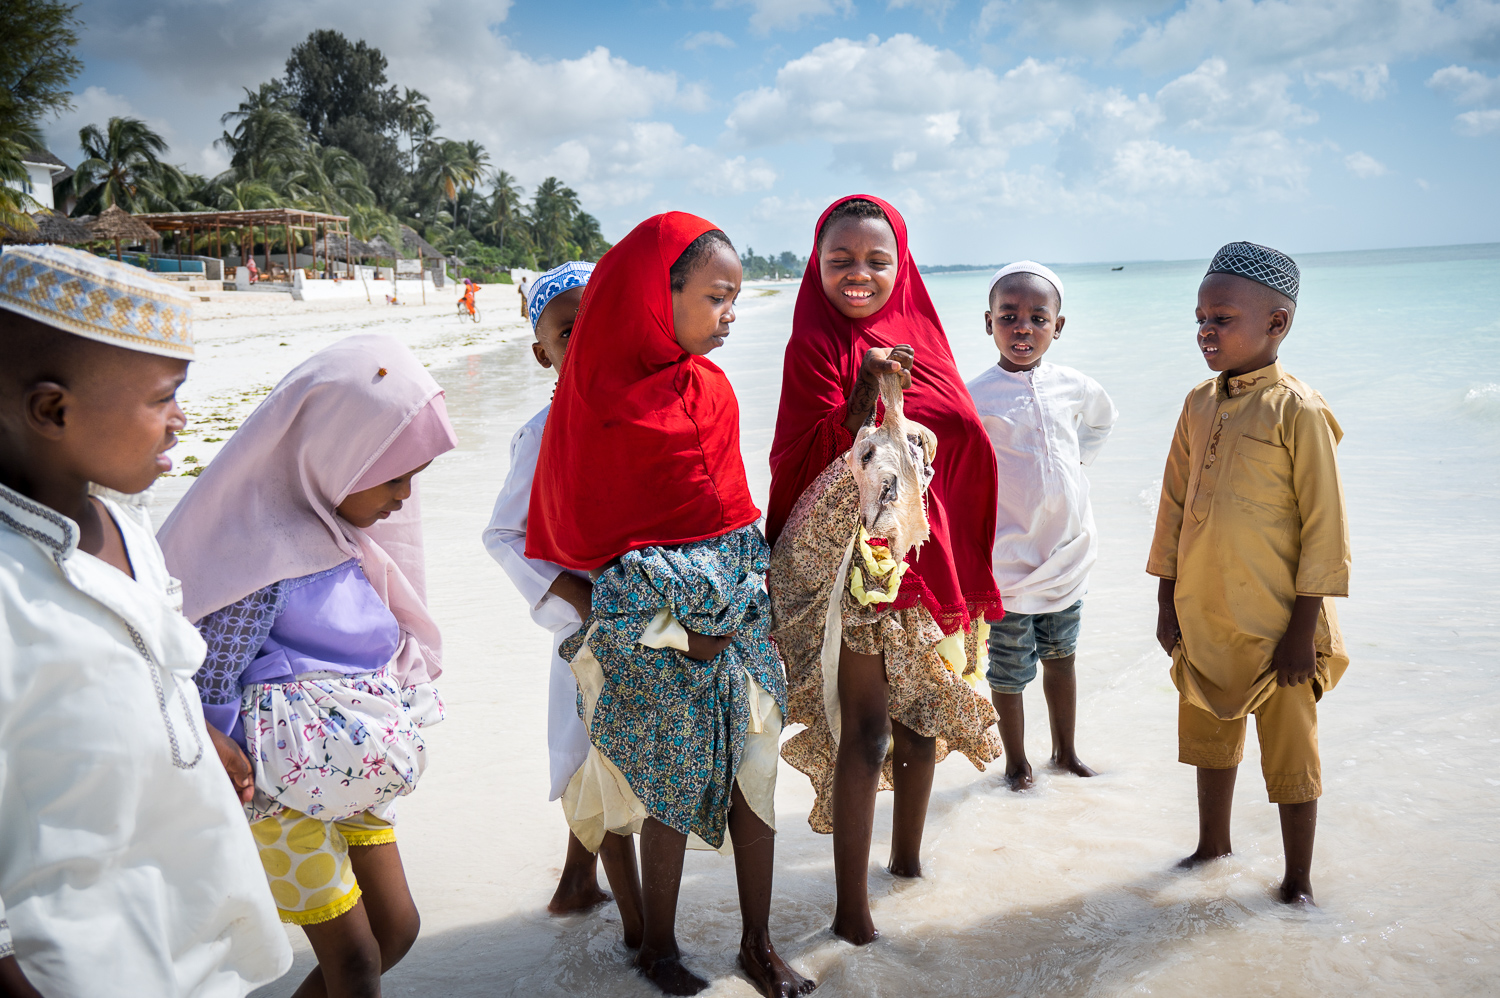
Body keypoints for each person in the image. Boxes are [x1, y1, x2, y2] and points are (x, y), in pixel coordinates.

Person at [527, 213, 813, 998]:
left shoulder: (713, 390)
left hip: (738, 618)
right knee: (666, 790)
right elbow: (590, 557)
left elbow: (735, 521)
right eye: (717, 298)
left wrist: (750, 616)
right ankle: (657, 948)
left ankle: (758, 946)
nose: (730, 315)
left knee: (756, 775)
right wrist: (681, 636)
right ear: (661, 294)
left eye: (736, 300)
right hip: (652, 636)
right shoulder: (595, 404)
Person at [0, 245, 291, 996]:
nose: (180, 420)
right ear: (53, 411)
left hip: (192, 927)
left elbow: (151, 662)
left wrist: (197, 733)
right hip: (75, 962)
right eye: (164, 398)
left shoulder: (126, 525)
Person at [158, 334, 457, 996]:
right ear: (336, 457)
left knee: (397, 929)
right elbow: (213, 679)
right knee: (355, 961)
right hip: (276, 786)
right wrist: (226, 788)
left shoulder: (344, 535)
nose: (405, 497)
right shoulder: (260, 555)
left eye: (414, 477)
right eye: (394, 477)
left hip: (346, 769)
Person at [766, 195, 1002, 945]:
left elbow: (961, 440)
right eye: (840, 260)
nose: (858, 274)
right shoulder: (814, 344)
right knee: (865, 733)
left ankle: (907, 870)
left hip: (924, 566)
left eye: (877, 260)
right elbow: (807, 458)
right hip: (852, 574)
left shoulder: (920, 335)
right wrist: (869, 388)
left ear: (903, 266)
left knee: (922, 723)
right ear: (816, 264)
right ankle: (850, 913)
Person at [1148, 241, 1350, 906]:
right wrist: (1167, 600)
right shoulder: (1196, 404)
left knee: (1292, 752)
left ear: (1276, 323)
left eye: (1222, 319)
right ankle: (1212, 846)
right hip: (1205, 612)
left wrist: (1302, 630)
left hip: (1280, 623)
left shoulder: (1299, 410)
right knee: (1209, 734)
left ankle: (1298, 882)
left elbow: (1325, 528)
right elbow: (1173, 507)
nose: (1206, 332)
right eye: (1200, 320)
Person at [481, 261, 645, 939]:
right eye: (569, 331)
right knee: (596, 759)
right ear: (541, 351)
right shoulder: (543, 431)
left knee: (626, 755)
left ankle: (577, 883)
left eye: (602, 323)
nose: (588, 339)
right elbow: (503, 533)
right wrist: (577, 596)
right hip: (590, 624)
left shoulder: (647, 413)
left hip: (655, 618)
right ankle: (639, 936)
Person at [966, 262, 1117, 791]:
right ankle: (1016, 763)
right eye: (1009, 316)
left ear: (1059, 325)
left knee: (1062, 657)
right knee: (1008, 671)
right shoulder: (976, 396)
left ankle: (1065, 752)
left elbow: (1102, 419)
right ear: (989, 323)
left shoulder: (1074, 385)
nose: (1023, 328)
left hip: (1067, 554)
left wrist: (1077, 465)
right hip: (1008, 563)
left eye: (1038, 317)